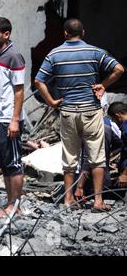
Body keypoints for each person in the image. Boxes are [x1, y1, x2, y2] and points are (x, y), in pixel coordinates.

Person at [35, 18, 124, 212]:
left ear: (64, 34)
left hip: (68, 112)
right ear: (83, 33)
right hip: (91, 111)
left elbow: (38, 81)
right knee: (97, 157)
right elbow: (119, 69)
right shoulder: (95, 52)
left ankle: (68, 199)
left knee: (69, 158)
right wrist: (103, 85)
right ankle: (98, 201)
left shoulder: (54, 54)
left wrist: (51, 101)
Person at [0, 17, 26, 219]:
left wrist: (15, 120)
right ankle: (10, 203)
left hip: (7, 119)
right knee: (4, 164)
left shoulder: (14, 57)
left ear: (6, 34)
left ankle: (15, 206)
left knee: (14, 164)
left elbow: (19, 91)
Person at [107, 102, 127, 188]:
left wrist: (125, 174)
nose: (113, 122)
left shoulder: (126, 129)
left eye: (113, 119)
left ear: (117, 115)